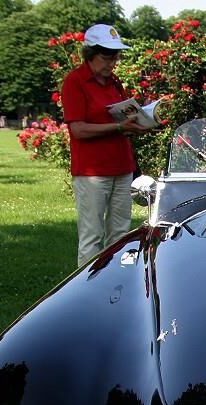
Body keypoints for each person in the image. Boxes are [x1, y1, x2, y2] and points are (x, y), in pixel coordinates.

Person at [61, 24, 151, 267]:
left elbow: (118, 117)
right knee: (92, 236)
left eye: (116, 56)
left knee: (121, 233)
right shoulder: (75, 82)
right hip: (92, 172)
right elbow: (77, 129)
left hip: (122, 167)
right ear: (90, 53)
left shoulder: (114, 82)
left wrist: (141, 121)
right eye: (107, 56)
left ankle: (114, 284)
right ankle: (88, 291)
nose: (112, 62)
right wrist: (120, 127)